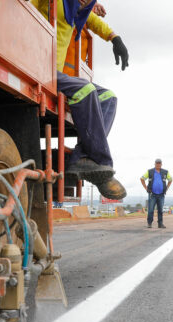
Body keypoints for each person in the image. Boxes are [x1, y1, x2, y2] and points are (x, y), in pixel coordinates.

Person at [29, 0, 129, 200]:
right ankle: (103, 164)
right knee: (86, 89)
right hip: (36, 66)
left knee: (109, 97)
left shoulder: (77, 11)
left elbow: (95, 23)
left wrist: (115, 39)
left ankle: (83, 157)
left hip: (55, 74)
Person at [140, 159, 173, 228]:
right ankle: (149, 223)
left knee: (160, 210)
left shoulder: (165, 172)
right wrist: (146, 188)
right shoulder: (150, 171)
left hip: (161, 194)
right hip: (152, 194)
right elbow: (142, 178)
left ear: (161, 164)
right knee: (151, 210)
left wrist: (166, 188)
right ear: (154, 164)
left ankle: (160, 224)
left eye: (159, 163)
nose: (158, 165)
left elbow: (170, 179)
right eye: (157, 163)